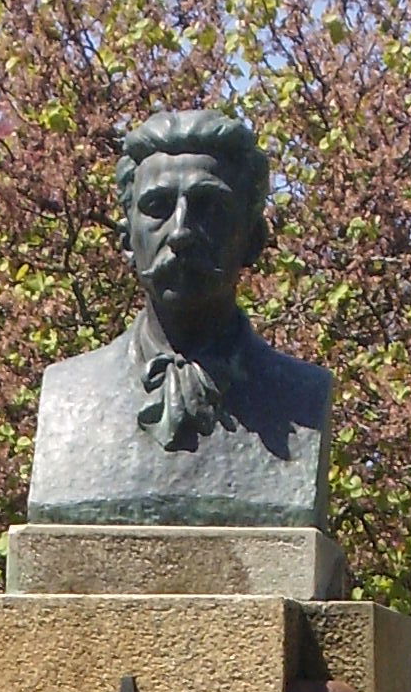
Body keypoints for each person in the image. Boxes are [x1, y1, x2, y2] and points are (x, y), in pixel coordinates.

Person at [23, 106, 333, 529]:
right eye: (157, 207)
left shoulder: (303, 398)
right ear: (126, 242)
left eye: (209, 207)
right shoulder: (70, 396)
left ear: (254, 241)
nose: (181, 231)